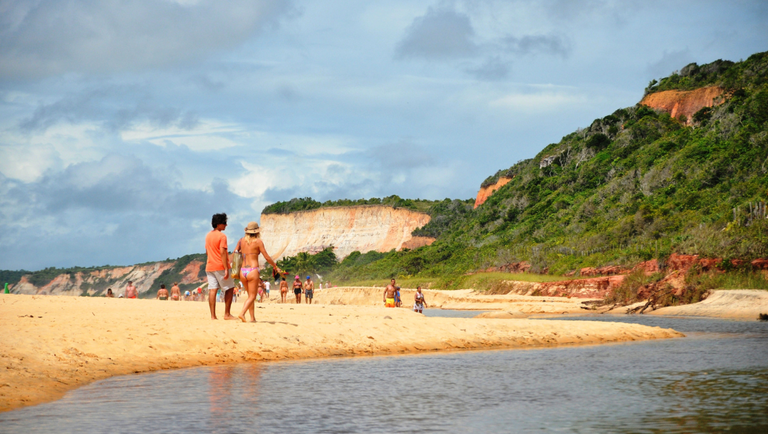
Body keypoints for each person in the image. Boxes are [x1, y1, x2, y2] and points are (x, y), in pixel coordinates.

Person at [234, 221, 282, 322]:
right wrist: (275, 266)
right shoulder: (258, 242)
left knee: (249, 297)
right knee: (252, 296)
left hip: (243, 271)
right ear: (256, 232)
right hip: (253, 270)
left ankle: (252, 318)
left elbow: (235, 252)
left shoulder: (241, 241)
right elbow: (267, 257)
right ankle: (242, 313)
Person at [205, 213, 236, 320]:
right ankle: (227, 314)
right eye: (224, 223)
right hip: (220, 266)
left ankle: (213, 316)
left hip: (209, 266)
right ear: (219, 224)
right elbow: (223, 252)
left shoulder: (208, 235)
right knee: (230, 289)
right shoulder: (222, 236)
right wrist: (226, 268)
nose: (226, 225)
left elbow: (207, 252)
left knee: (212, 289)